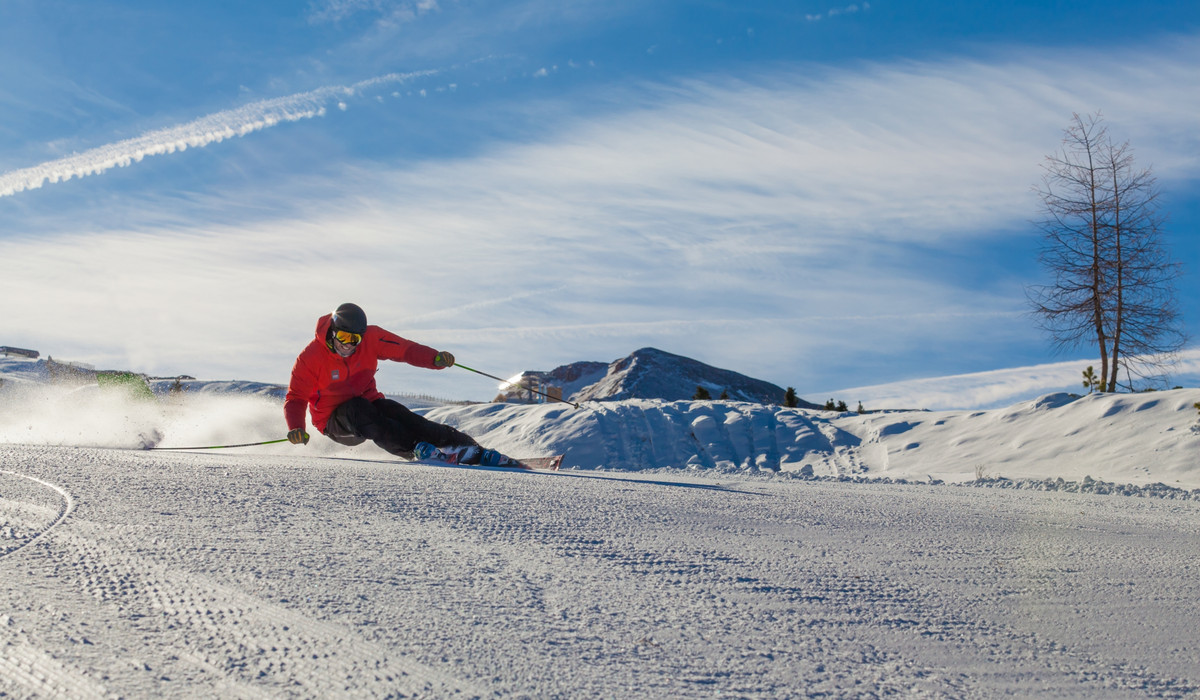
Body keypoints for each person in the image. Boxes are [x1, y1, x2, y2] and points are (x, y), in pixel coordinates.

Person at [285, 302, 499, 463]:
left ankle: (469, 448)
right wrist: (296, 427)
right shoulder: (310, 357)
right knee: (360, 411)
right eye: (343, 336)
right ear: (332, 331)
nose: (348, 345)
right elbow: (295, 398)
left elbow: (404, 349)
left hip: (368, 403)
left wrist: (434, 358)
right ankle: (415, 449)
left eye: (355, 340)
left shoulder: (372, 337)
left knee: (401, 415)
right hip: (334, 422)